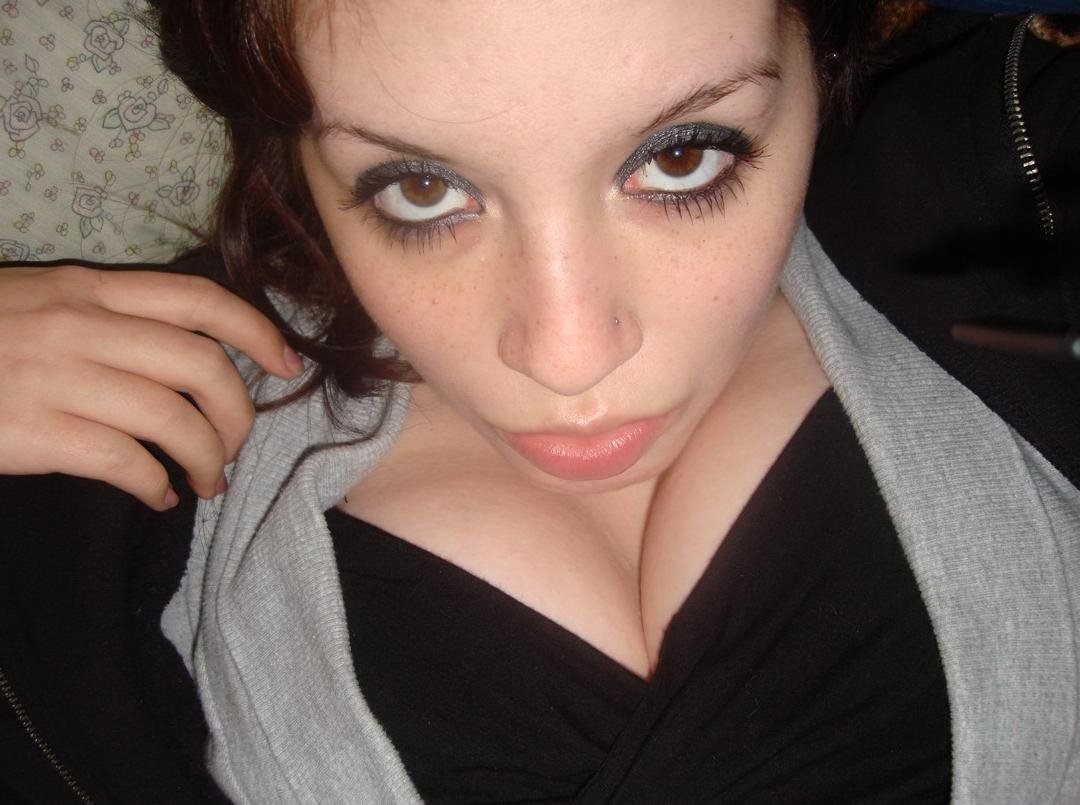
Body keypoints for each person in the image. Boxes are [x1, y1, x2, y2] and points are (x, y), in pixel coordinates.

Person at [0, 1, 1077, 803]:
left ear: (823, 49)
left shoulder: (1014, 192)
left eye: (681, 156)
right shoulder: (119, 459)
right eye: (422, 187)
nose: (566, 356)